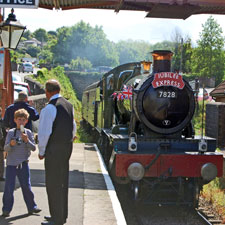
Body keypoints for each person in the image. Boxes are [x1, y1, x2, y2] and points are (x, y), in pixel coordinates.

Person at [38, 79, 76, 225]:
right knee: (62, 182)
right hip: (66, 147)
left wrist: (42, 151)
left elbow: (44, 133)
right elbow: (73, 128)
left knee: (53, 183)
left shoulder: (49, 108)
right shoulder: (69, 105)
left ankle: (56, 218)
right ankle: (61, 214)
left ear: (47, 92)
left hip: (54, 149)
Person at [2, 108, 41, 217]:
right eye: (19, 119)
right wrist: (11, 144)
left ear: (27, 121)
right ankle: (6, 209)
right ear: (15, 120)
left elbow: (33, 148)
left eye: (23, 120)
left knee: (26, 186)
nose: (21, 122)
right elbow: (6, 148)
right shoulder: (11, 132)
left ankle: (32, 207)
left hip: (23, 163)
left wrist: (26, 140)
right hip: (11, 164)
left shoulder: (28, 133)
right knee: (9, 188)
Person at [0, 107, 7, 181]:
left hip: (1, 144)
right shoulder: (2, 122)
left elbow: (4, 133)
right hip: (1, 144)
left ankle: (1, 175)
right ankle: (1, 176)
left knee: (1, 161)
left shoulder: (2, 122)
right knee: (1, 161)